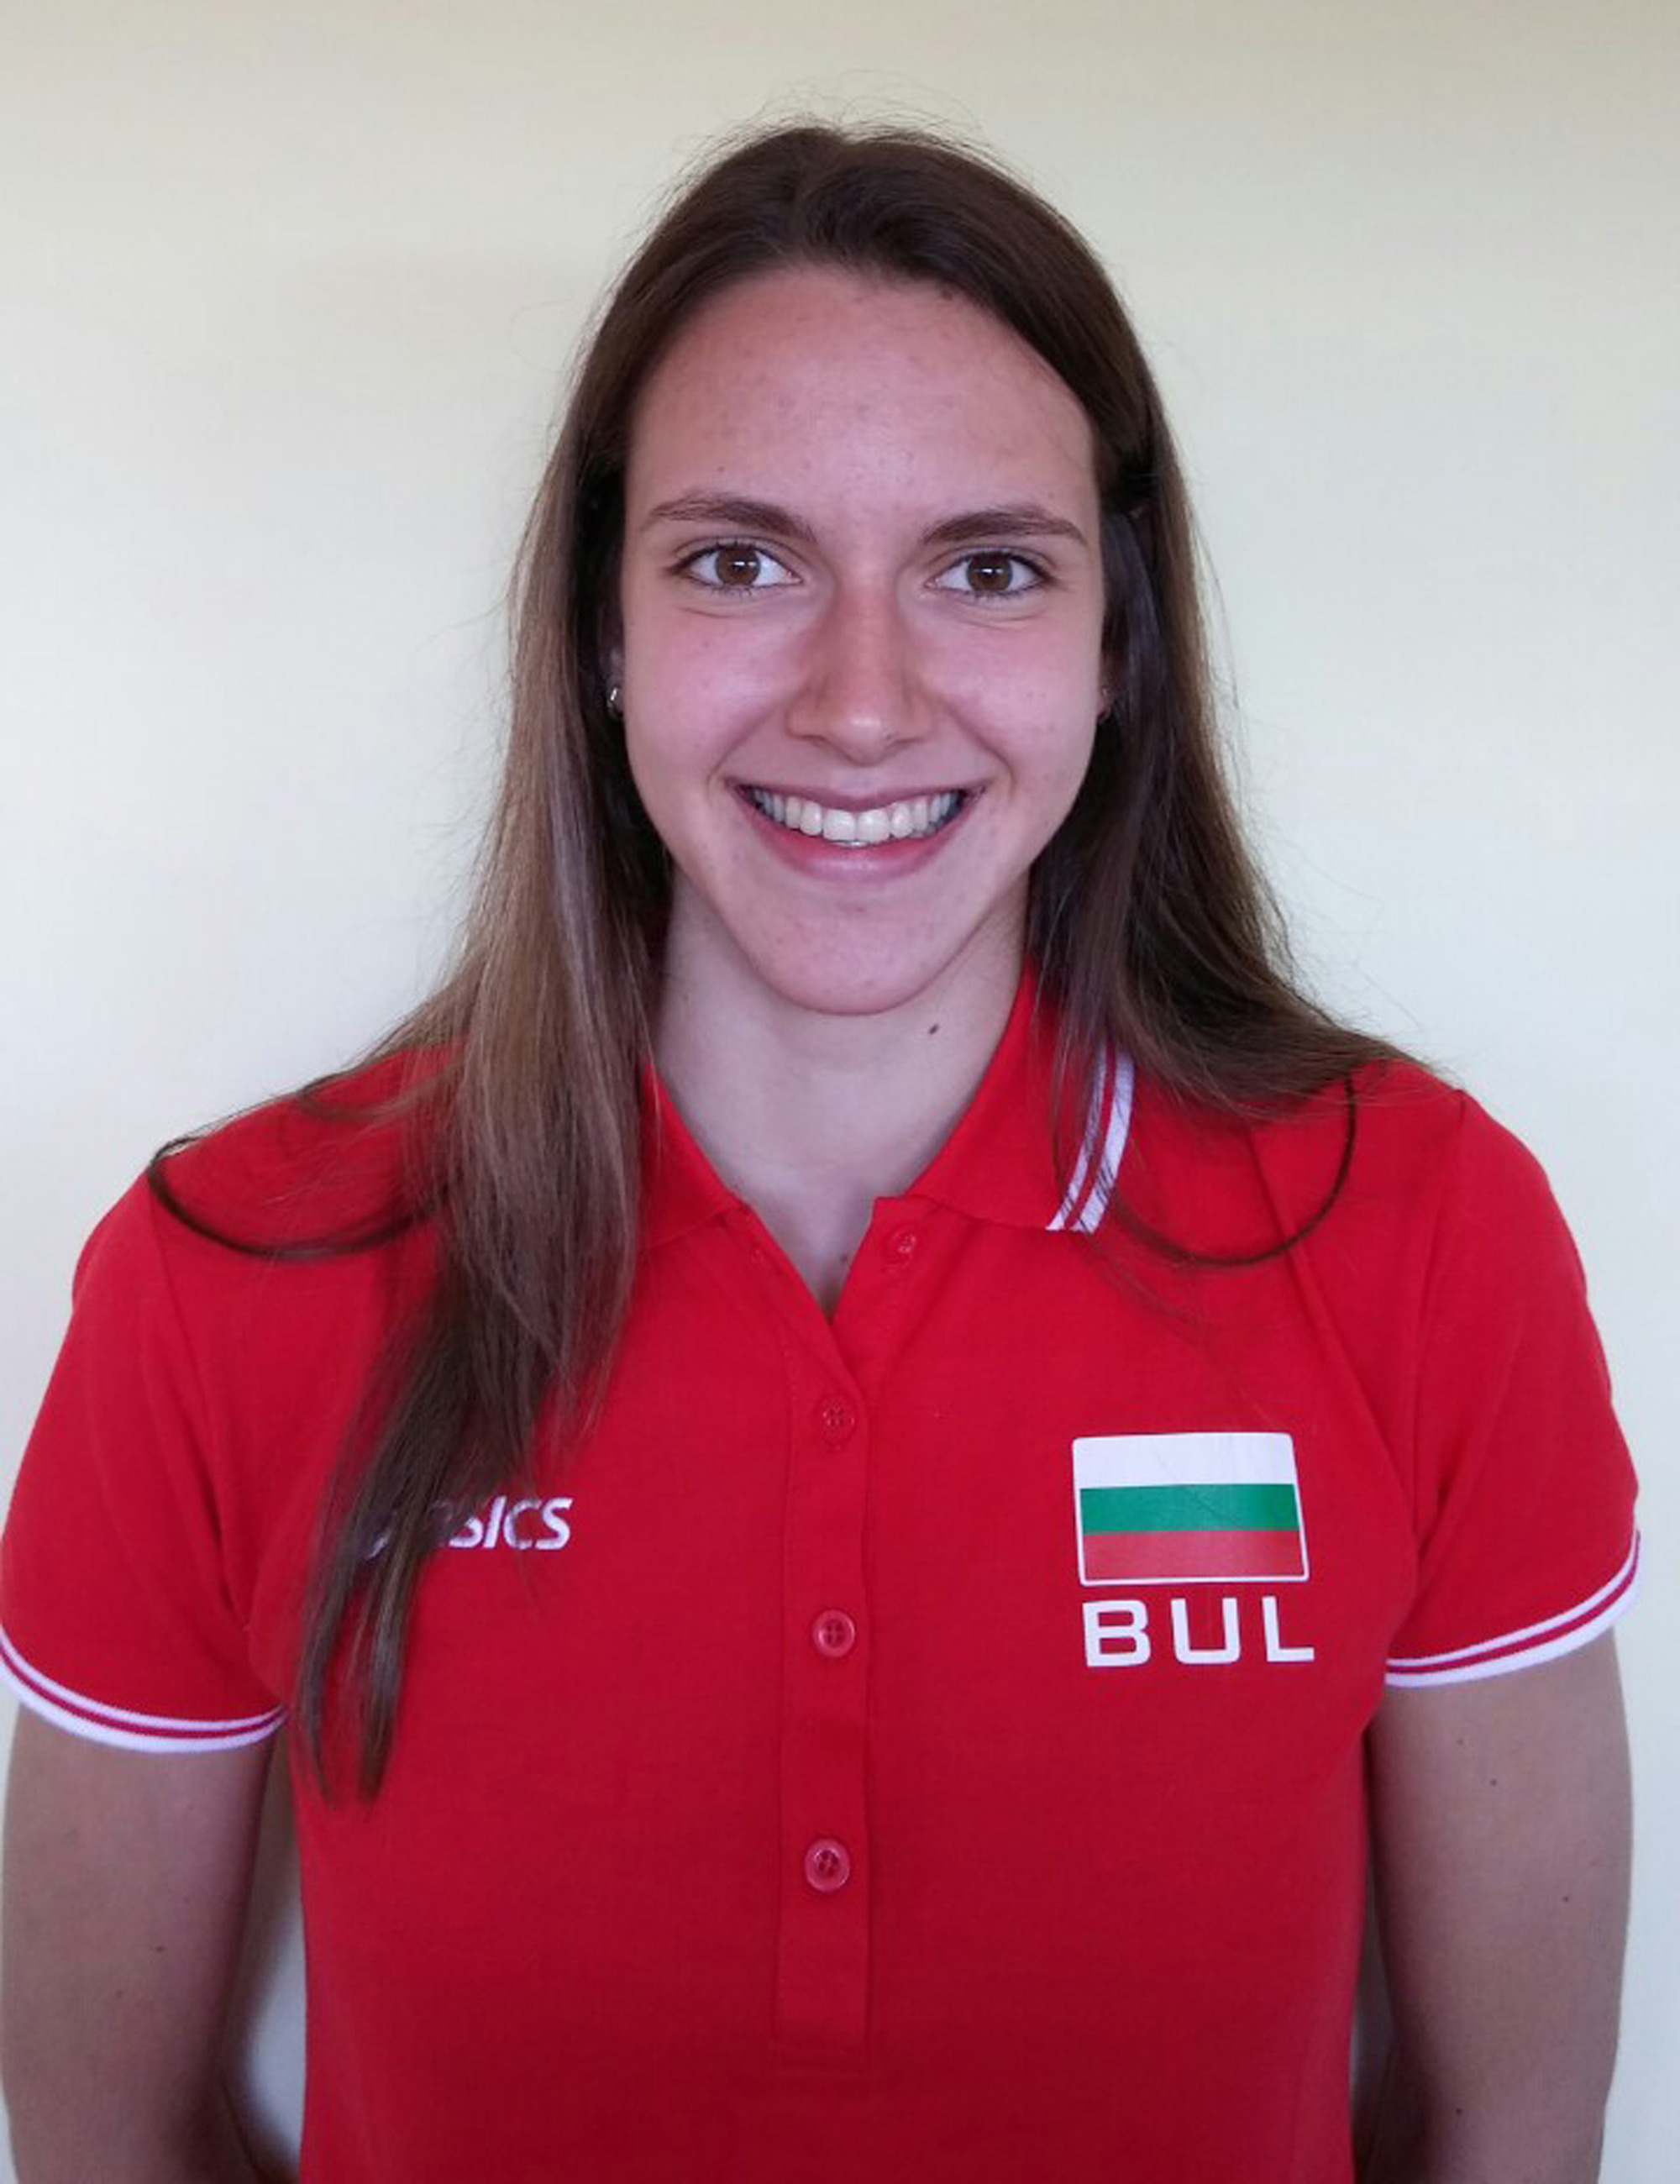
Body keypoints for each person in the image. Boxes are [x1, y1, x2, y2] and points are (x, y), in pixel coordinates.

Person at [0, 120, 1637, 2184]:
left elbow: (1507, 2135)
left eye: (988, 568)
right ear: (603, 629)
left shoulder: (1418, 1235)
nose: (864, 705)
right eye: (739, 561)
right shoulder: (233, 1276)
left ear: (1115, 645)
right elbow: (98, 2138)